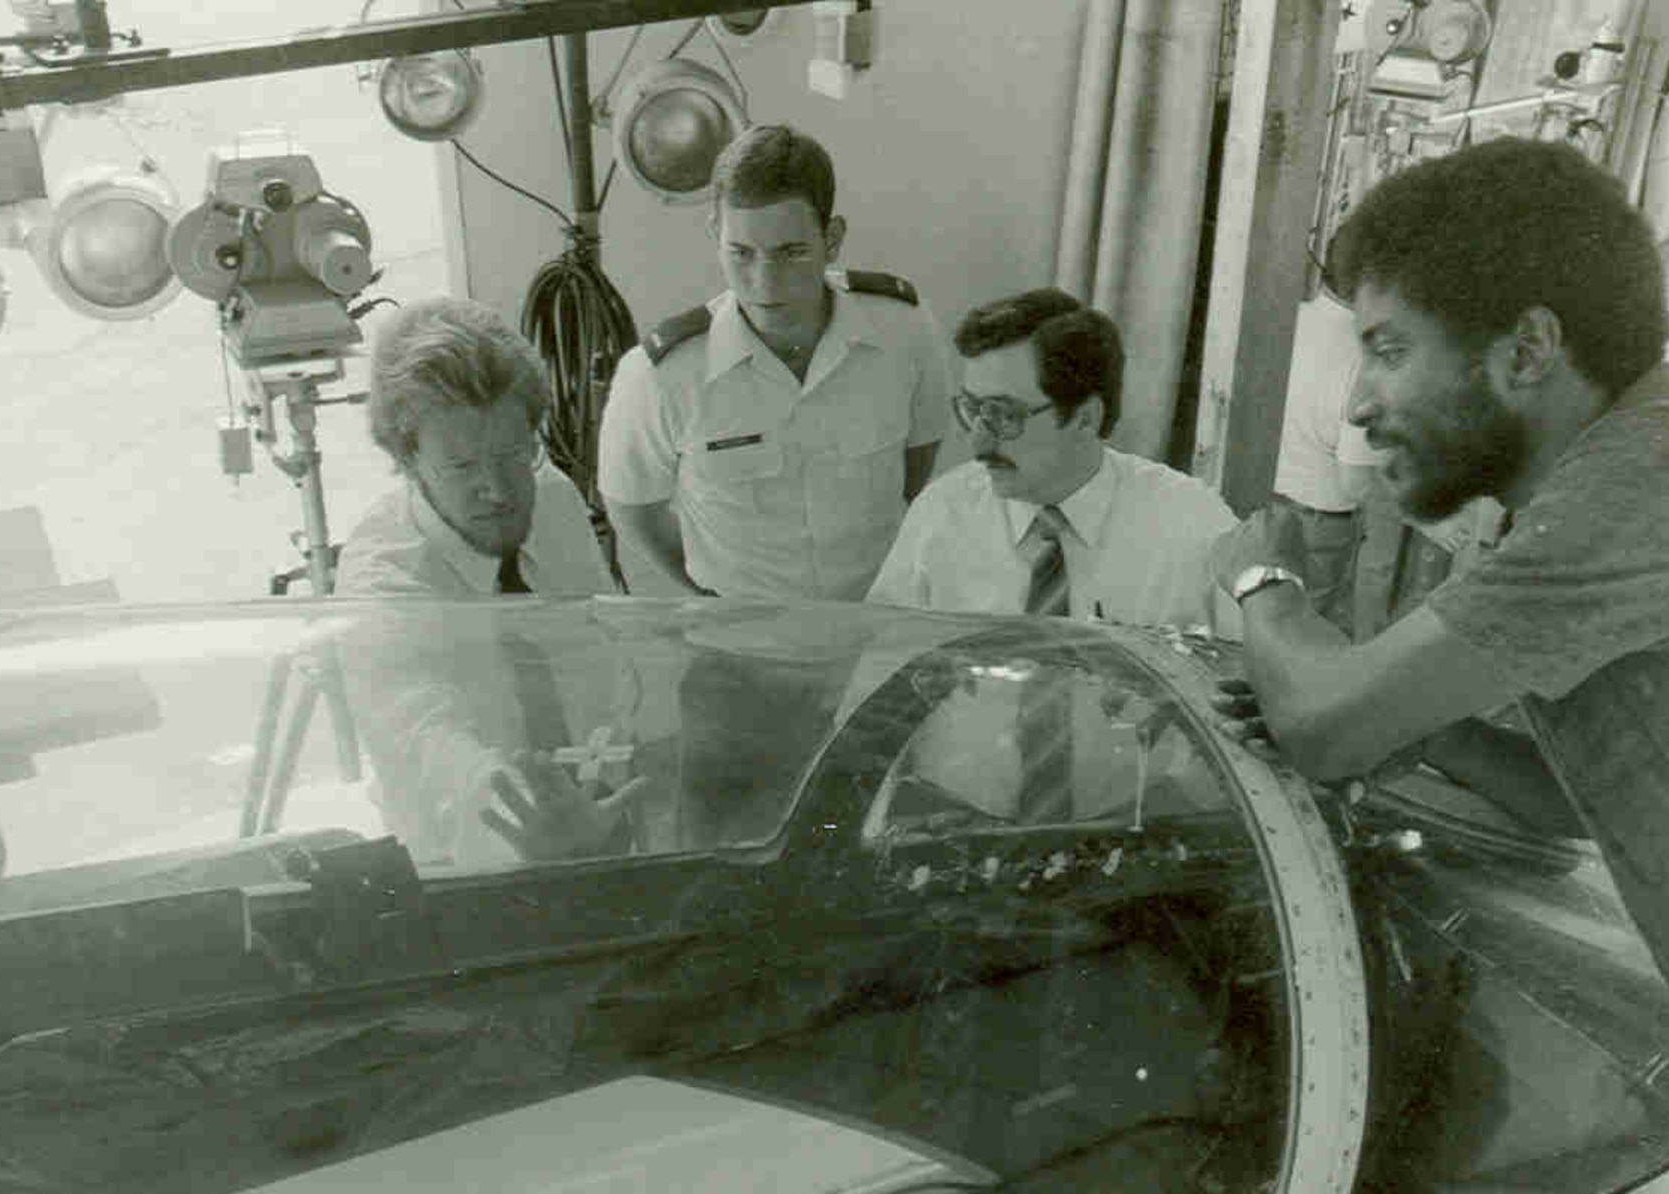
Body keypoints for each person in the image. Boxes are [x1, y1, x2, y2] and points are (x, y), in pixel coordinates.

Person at [1207, 137, 1669, 1194]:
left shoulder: (1646, 483)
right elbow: (1571, 810)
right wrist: (1415, 713)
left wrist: (1255, 579)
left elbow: (1326, 726)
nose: (1355, 405)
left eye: (1385, 347)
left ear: (1528, 349)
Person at [338, 297, 644, 866]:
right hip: (472, 868)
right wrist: (527, 810)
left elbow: (605, 659)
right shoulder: (381, 582)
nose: (498, 490)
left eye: (512, 455)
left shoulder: (549, 493)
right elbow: (431, 741)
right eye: (460, 466)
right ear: (407, 461)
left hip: (610, 832)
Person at [597, 123, 955, 601]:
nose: (765, 283)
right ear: (714, 235)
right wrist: (707, 597)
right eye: (741, 253)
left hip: (878, 622)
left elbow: (916, 467)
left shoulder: (903, 331)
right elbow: (631, 507)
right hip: (740, 640)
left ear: (832, 239)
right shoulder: (660, 374)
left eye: (792, 252)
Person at [867, 288, 1239, 630]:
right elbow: (880, 674)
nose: (977, 442)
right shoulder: (942, 513)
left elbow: (1253, 685)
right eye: (972, 408)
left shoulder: (1194, 526)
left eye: (1005, 415)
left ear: (1084, 418)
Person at [1272, 232, 1383, 627]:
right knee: (1300, 638)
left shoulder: (1282, 320)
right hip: (1317, 528)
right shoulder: (1362, 360)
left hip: (1260, 506)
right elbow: (1355, 482)